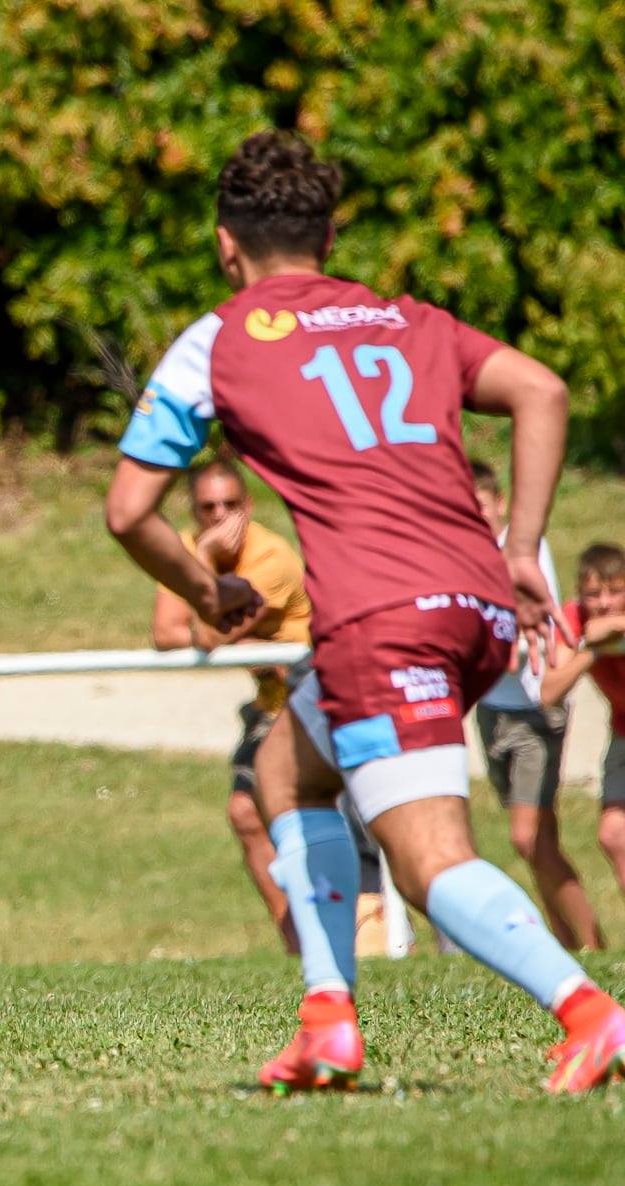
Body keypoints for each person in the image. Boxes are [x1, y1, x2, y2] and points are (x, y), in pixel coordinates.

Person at [106, 130, 625, 1095]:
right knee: (284, 769)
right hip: (473, 606)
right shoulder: (408, 319)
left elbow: (127, 510)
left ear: (228, 246)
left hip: (382, 618)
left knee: (430, 862)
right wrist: (520, 548)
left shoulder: (219, 340)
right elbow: (542, 390)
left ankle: (592, 1015)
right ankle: (326, 1020)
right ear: (330, 233)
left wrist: (206, 591)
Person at [147, 459, 310, 951]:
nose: (221, 517)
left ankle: (371, 938)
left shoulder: (271, 558)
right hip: (273, 702)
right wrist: (200, 557)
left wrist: (202, 558)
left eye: (231, 505)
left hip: (314, 700)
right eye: (207, 508)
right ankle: (297, 947)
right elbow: (166, 634)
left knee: (309, 823)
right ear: (193, 512)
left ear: (250, 505)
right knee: (245, 813)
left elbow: (209, 633)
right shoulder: (191, 548)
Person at [471, 464, 601, 949]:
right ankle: (574, 945)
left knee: (530, 839)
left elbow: (518, 636)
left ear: (500, 502)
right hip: (492, 710)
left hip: (533, 710)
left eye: (478, 505)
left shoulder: (527, 550)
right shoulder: (465, 553)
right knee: (535, 843)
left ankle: (589, 947)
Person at [541, 544, 625, 907]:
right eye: (594, 594)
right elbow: (549, 690)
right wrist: (591, 648)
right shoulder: (574, 620)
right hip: (623, 729)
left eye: (616, 591)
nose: (604, 602)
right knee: (613, 833)